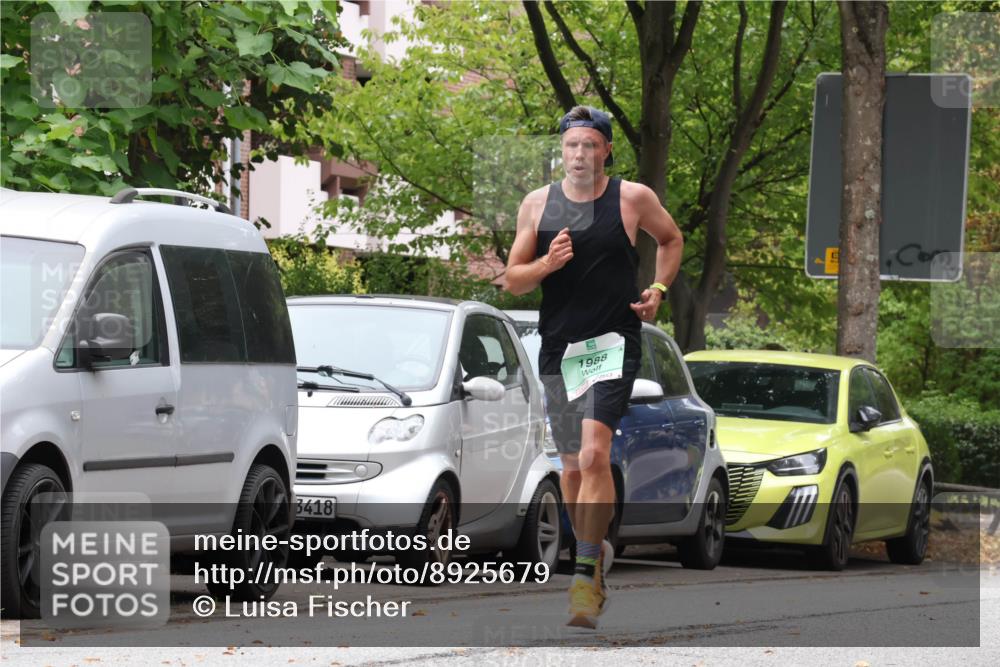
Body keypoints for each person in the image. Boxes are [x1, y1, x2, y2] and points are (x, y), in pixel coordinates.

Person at [505, 106, 683, 629]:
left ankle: (583, 574)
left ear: (606, 149)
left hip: (612, 343)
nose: (579, 155)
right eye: (570, 146)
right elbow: (513, 280)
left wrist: (659, 290)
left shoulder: (632, 198)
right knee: (572, 470)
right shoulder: (537, 205)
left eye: (589, 145)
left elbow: (671, 239)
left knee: (594, 451)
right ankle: (593, 553)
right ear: (561, 151)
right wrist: (547, 264)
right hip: (560, 349)